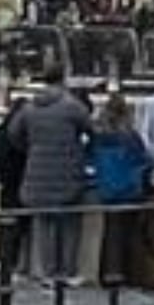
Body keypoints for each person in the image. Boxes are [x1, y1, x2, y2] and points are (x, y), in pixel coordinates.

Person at [8, 70, 93, 287]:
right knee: (70, 224)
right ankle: (67, 271)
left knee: (44, 224)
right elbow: (92, 130)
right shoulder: (72, 106)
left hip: (37, 173)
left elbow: (13, 134)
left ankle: (47, 272)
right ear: (63, 80)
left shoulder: (30, 108)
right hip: (68, 174)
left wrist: (32, 149)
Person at [89, 95, 154, 286]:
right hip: (129, 189)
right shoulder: (130, 137)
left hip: (107, 189)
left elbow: (91, 159)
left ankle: (108, 273)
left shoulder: (99, 135)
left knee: (110, 232)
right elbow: (143, 159)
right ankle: (126, 274)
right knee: (129, 234)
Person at [0, 97, 32, 278]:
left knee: (5, 224)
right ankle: (14, 263)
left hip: (5, 182)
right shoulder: (23, 134)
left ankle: (0, 260)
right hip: (21, 181)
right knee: (20, 226)